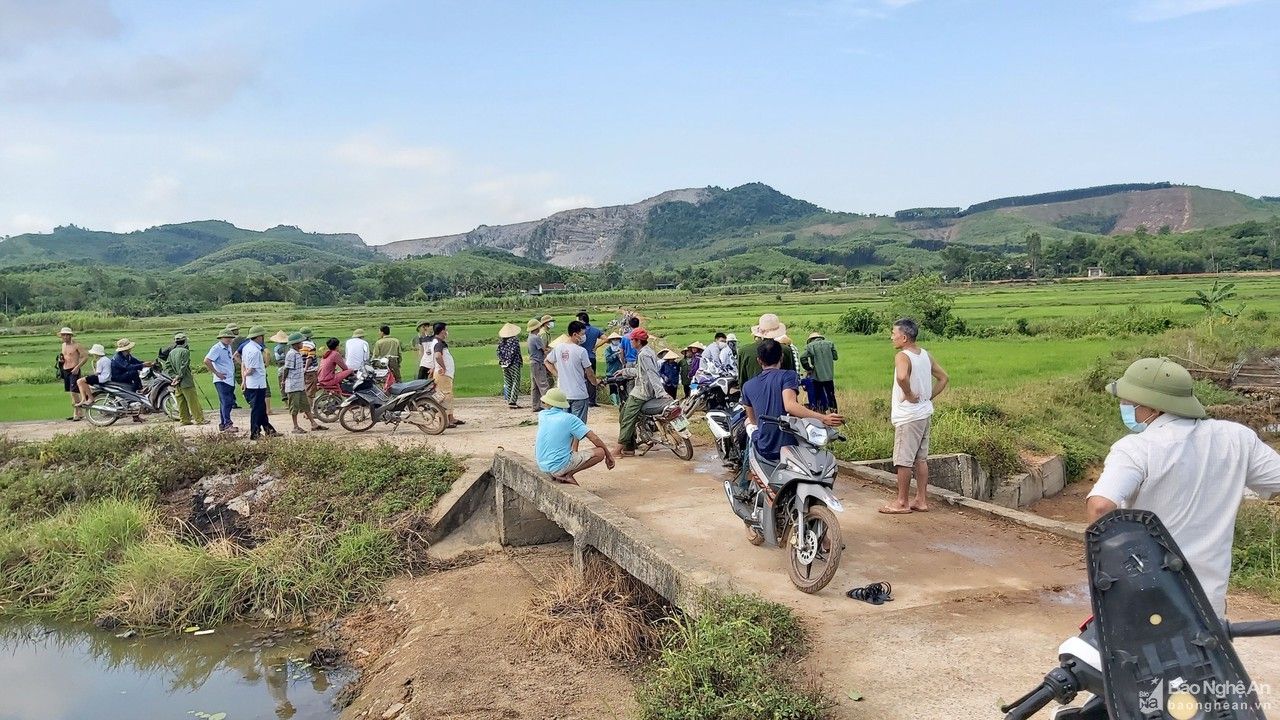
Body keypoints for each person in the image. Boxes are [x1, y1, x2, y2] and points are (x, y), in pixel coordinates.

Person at [1086, 357, 1280, 617]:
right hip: (1208, 600)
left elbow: (1100, 507)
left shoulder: (1136, 448)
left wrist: (1115, 569)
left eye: (1128, 402)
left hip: (1149, 597)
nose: (1124, 406)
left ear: (1151, 407)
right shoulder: (1236, 438)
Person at [736, 339, 843, 498]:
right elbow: (790, 406)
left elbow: (753, 420)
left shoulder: (748, 386)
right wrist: (823, 418)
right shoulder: (788, 375)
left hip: (765, 444)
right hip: (788, 443)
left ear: (759, 361)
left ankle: (743, 487)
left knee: (749, 433)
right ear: (781, 358)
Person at [882, 318, 949, 515]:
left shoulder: (903, 356)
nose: (891, 337)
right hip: (924, 413)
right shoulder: (925, 355)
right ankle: (921, 499)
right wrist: (928, 397)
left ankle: (902, 501)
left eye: (893, 333)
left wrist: (909, 395)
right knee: (921, 459)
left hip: (908, 416)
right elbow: (944, 378)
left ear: (904, 337)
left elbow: (902, 377)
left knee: (903, 459)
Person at [535, 388, 615, 485]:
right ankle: (568, 474)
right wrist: (608, 455)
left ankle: (563, 473)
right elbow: (594, 438)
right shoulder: (570, 419)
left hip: (543, 466)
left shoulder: (542, 415)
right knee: (600, 452)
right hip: (558, 466)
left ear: (548, 403)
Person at [612, 329, 670, 457]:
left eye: (632, 340)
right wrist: (625, 371)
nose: (631, 342)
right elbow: (641, 372)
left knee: (626, 418)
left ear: (638, 341)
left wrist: (661, 393)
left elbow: (652, 373)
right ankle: (629, 447)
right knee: (623, 415)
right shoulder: (647, 351)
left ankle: (618, 449)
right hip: (641, 389)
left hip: (642, 392)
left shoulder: (643, 355)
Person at [545, 320, 598, 422]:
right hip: (579, 394)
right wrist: (595, 383)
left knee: (566, 424)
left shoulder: (558, 348)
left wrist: (558, 374)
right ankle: (575, 439)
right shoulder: (581, 351)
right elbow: (589, 372)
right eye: (582, 334)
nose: (584, 336)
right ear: (575, 334)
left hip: (563, 395)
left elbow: (547, 361)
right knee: (577, 426)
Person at [282, 332, 328, 434]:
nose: (303, 343)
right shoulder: (291, 354)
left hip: (299, 384)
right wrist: (283, 381)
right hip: (293, 385)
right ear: (296, 343)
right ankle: (295, 426)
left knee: (306, 406)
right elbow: (286, 369)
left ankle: (314, 424)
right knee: (294, 407)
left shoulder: (297, 353)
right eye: (301, 342)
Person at [240, 326, 278, 440]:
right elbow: (251, 369)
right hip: (257, 384)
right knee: (257, 409)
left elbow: (243, 364)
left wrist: (244, 380)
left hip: (253, 383)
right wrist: (246, 376)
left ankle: (269, 430)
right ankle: (255, 433)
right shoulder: (255, 351)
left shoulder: (247, 347)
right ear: (260, 337)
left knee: (260, 408)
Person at [737, 314, 793, 384]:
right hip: (780, 392)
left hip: (752, 392)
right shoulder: (785, 350)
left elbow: (742, 379)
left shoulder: (744, 351)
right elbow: (790, 378)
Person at [205, 329, 239, 433]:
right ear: (221, 338)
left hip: (228, 379)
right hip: (221, 380)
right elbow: (207, 360)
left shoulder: (228, 347)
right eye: (227, 337)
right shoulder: (217, 348)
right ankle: (228, 424)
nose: (229, 339)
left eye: (230, 338)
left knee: (225, 402)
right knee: (227, 402)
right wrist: (216, 372)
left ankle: (223, 424)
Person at [167, 332, 205, 425]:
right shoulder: (185, 351)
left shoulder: (172, 352)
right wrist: (179, 376)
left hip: (177, 382)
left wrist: (174, 377)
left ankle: (184, 420)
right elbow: (184, 365)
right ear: (185, 341)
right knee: (193, 401)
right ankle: (199, 419)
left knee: (181, 401)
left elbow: (167, 366)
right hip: (186, 381)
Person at [110, 338, 148, 423]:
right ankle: (140, 388)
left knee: (133, 394)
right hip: (118, 377)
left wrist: (147, 364)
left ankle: (136, 416)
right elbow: (128, 367)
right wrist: (142, 365)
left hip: (126, 376)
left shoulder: (128, 356)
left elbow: (137, 362)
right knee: (133, 372)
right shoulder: (118, 358)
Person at [431, 322, 461, 428]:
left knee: (448, 396)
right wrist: (443, 367)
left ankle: (450, 418)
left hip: (445, 375)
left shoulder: (438, 342)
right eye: (446, 329)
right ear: (442, 331)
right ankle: (444, 421)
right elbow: (438, 356)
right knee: (444, 397)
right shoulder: (438, 343)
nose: (447, 332)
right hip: (443, 374)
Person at [801, 331, 839, 413]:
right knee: (831, 395)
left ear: (811, 339)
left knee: (818, 396)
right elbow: (835, 357)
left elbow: (802, 358)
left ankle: (821, 412)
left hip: (817, 376)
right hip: (829, 375)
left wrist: (808, 368)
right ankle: (834, 413)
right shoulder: (830, 344)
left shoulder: (810, 346)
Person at [58, 327, 88, 421]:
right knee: (72, 392)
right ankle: (80, 412)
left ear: (71, 336)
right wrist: (61, 361)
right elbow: (65, 356)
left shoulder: (77, 345)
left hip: (74, 370)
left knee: (73, 392)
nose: (65, 337)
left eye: (67, 335)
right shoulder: (63, 345)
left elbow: (85, 357)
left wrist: (77, 367)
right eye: (64, 335)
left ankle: (76, 413)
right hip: (65, 370)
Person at [527, 315, 553, 413]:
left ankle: (535, 405)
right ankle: (550, 405)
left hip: (533, 362)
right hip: (538, 363)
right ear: (536, 327)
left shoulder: (530, 337)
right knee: (543, 384)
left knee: (535, 386)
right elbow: (544, 350)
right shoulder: (536, 338)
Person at [577, 312, 604, 406]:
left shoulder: (579, 331)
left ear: (581, 320)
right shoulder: (595, 330)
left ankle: (582, 399)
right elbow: (606, 338)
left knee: (581, 377)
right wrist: (596, 346)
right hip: (592, 357)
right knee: (591, 378)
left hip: (580, 357)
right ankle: (592, 401)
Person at [497, 323, 523, 409]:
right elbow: (514, 352)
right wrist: (510, 361)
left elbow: (498, 352)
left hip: (504, 364)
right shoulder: (514, 340)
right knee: (516, 381)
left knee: (508, 382)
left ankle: (509, 400)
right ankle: (513, 401)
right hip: (514, 363)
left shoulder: (501, 341)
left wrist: (503, 361)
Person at [602, 332, 625, 405]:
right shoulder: (608, 349)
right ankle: (614, 403)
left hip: (620, 371)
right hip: (611, 372)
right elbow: (608, 359)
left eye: (617, 339)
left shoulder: (622, 348)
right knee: (613, 388)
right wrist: (616, 354)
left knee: (621, 388)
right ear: (611, 340)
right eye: (614, 339)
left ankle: (621, 402)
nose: (616, 340)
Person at [270, 331, 290, 402]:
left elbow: (277, 359)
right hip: (290, 367)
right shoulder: (289, 347)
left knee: (282, 384)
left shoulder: (277, 348)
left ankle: (286, 403)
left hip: (281, 367)